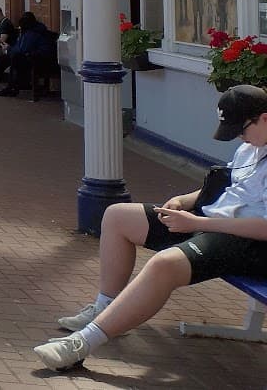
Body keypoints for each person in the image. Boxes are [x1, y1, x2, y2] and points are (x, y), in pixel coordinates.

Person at [35, 85, 267, 370]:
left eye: (242, 130)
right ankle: (106, 307)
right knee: (117, 216)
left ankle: (82, 343)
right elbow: (232, 187)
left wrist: (197, 223)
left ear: (264, 118)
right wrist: (184, 201)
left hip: (248, 242)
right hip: (209, 222)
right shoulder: (251, 147)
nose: (240, 138)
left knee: (164, 264)